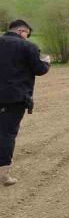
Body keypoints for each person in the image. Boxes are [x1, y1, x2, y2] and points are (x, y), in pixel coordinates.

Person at [0, 20, 51, 186]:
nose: (27, 37)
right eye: (27, 33)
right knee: (7, 133)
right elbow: (39, 69)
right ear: (22, 31)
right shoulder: (27, 46)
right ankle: (4, 174)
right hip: (15, 97)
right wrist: (46, 62)